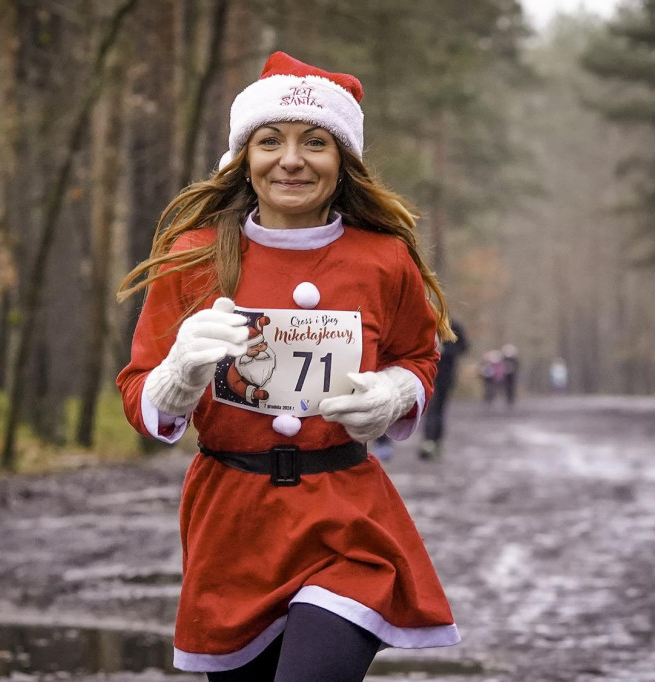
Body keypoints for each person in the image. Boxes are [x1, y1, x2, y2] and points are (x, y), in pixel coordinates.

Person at [116, 52, 460, 681]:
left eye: (316, 143)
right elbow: (140, 396)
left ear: (343, 160)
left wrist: (392, 392)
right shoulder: (192, 256)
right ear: (245, 157)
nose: (292, 159)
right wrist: (180, 375)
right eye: (270, 140)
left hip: (346, 521)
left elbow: (420, 355)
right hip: (232, 525)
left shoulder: (384, 259)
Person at [418, 320, 468, 460]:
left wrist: (446, 351)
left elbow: (464, 346)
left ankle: (435, 442)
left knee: (438, 409)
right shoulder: (425, 321)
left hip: (445, 375)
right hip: (427, 375)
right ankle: (428, 442)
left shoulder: (453, 325)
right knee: (428, 408)